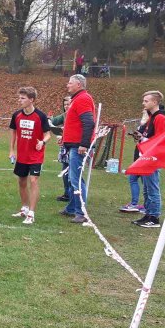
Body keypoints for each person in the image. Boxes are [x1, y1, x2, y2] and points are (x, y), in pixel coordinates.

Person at [8, 87, 52, 225]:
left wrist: (42, 142)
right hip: (22, 156)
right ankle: (24, 208)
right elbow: (13, 132)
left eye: (23, 98)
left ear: (31, 99)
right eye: (19, 98)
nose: (19, 100)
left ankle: (31, 214)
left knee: (33, 180)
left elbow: (48, 134)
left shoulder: (41, 116)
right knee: (22, 182)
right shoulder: (16, 115)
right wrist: (11, 150)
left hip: (36, 156)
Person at [130, 91, 165, 228]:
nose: (143, 103)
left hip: (153, 157)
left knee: (152, 188)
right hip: (146, 155)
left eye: (146, 101)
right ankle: (148, 214)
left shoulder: (160, 117)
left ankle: (154, 217)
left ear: (155, 102)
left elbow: (160, 139)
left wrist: (144, 139)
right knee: (146, 188)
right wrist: (140, 137)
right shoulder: (151, 117)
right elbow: (147, 134)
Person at [61, 74, 95, 224]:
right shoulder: (77, 99)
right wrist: (65, 138)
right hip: (73, 144)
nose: (67, 85)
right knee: (72, 178)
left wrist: (84, 144)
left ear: (79, 85)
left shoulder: (83, 99)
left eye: (70, 83)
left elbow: (88, 123)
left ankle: (81, 212)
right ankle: (71, 208)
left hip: (78, 146)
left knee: (76, 179)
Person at [51, 95, 71, 202]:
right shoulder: (64, 116)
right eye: (65, 104)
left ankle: (74, 194)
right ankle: (67, 194)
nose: (66, 106)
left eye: (68, 104)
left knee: (73, 172)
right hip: (65, 147)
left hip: (74, 147)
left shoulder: (77, 116)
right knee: (65, 170)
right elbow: (52, 122)